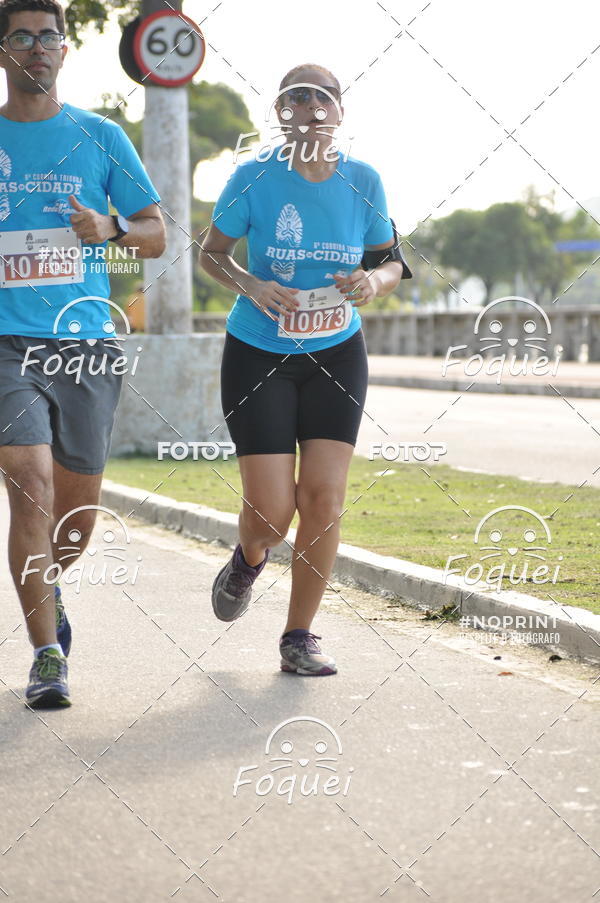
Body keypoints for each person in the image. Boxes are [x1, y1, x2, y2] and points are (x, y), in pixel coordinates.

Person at [200, 63, 411, 676]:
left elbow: (393, 261)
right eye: (295, 99)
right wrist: (250, 283)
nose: (310, 109)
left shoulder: (364, 180)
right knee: (270, 512)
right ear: (280, 113)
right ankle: (248, 559)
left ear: (340, 113)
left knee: (323, 498)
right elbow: (212, 254)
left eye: (322, 99)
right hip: (260, 350)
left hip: (336, 352)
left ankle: (299, 636)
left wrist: (373, 279)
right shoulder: (252, 177)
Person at [0, 0, 166, 707]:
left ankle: (49, 588)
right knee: (30, 483)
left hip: (87, 344)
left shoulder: (100, 136)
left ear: (65, 50)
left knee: (75, 518)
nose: (38, 48)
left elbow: (156, 234)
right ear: (4, 51)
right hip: (6, 341)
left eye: (49, 37)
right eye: (22, 37)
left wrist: (109, 226)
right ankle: (45, 656)